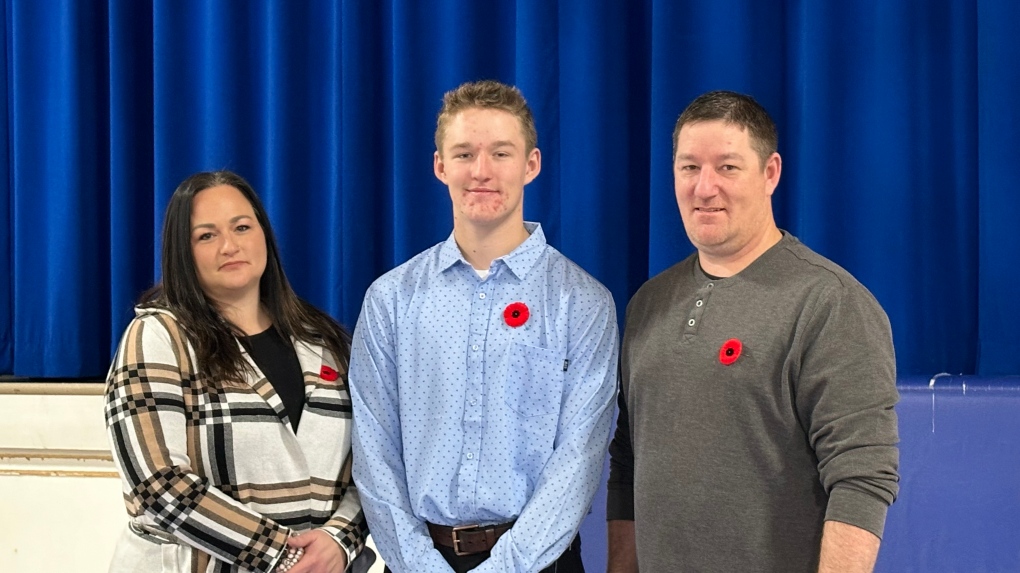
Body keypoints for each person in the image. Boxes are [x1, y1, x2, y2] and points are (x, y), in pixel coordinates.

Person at [606, 91, 900, 573]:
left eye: (727, 167)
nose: (704, 188)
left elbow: (861, 479)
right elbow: (628, 465)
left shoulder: (830, 303)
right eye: (688, 168)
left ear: (770, 173)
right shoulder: (648, 304)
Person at [349, 80, 619, 573]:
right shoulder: (390, 300)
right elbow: (374, 449)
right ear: (440, 166)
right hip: (415, 563)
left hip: (542, 563)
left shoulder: (583, 304)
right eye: (465, 153)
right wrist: (419, 566)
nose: (482, 172)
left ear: (531, 165)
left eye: (501, 153)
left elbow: (578, 461)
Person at [104, 171, 369, 573]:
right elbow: (156, 485)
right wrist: (283, 555)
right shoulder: (156, 337)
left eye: (242, 227)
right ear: (182, 252)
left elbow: (369, 470)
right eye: (206, 236)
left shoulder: (325, 341)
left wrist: (339, 541)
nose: (230, 246)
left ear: (265, 234)